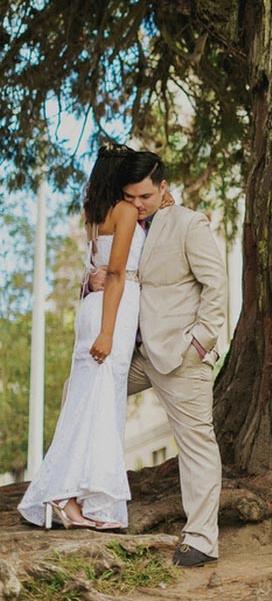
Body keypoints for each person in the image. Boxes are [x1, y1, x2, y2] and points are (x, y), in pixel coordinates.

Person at [91, 150, 227, 568]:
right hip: (132, 354)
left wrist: (199, 344)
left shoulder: (189, 224)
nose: (137, 204)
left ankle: (202, 539)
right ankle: (88, 504)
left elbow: (216, 287)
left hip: (179, 355)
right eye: (130, 196)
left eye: (145, 196)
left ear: (163, 187)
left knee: (196, 443)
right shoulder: (126, 223)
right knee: (83, 394)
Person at [18, 144, 142, 530]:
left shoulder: (94, 214)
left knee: (88, 404)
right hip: (110, 312)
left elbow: (96, 270)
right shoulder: (124, 212)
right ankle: (69, 495)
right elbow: (117, 274)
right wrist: (107, 332)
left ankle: (73, 498)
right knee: (99, 405)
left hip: (94, 307)